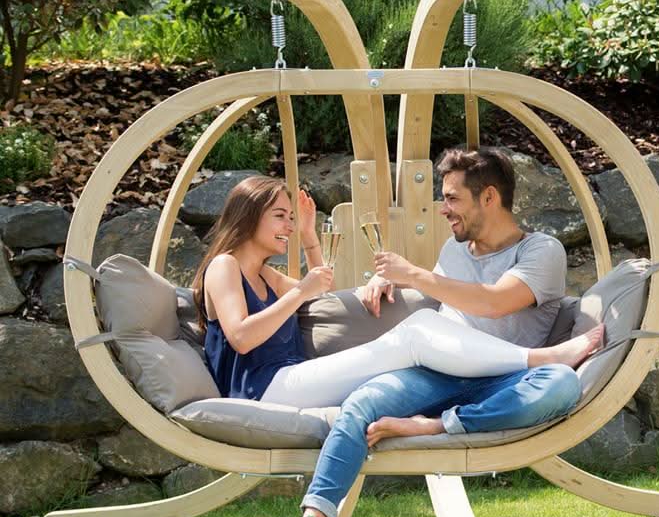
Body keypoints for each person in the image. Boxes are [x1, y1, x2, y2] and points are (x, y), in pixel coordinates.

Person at [275, 148, 601, 517]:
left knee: (561, 384)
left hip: (504, 381)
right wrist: (385, 281)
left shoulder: (542, 251)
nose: (443, 210)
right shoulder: (454, 250)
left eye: (452, 199)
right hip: (437, 375)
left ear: (489, 197)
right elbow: (444, 299)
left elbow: (495, 303)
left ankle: (432, 425)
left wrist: (412, 273)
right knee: (360, 404)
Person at [192, 175, 602, 410]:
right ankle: (538, 360)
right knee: (417, 331)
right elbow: (242, 336)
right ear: (248, 218)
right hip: (264, 391)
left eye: (289, 217)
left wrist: (308, 237)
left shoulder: (264, 276)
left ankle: (515, 372)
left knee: (419, 336)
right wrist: (299, 292)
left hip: (290, 382)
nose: (286, 226)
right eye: (279, 217)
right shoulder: (224, 266)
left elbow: (319, 292)